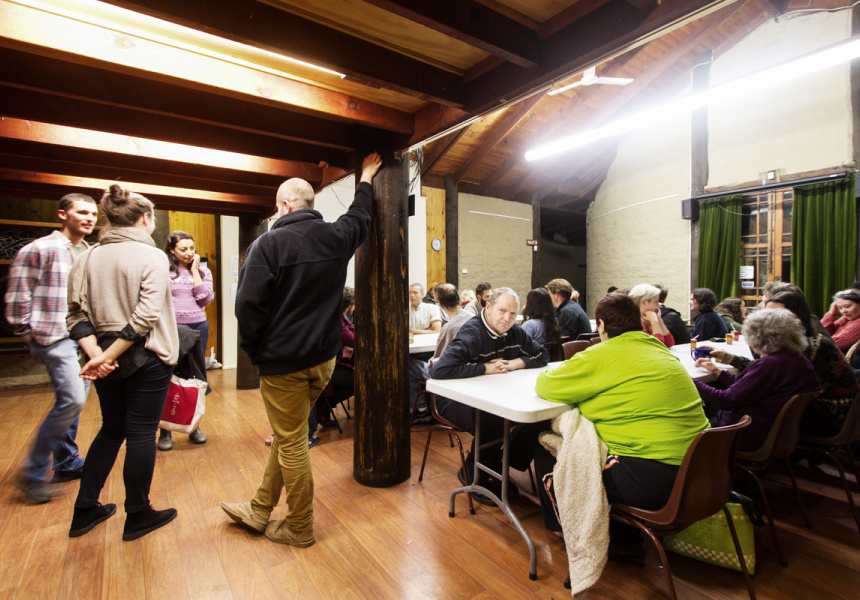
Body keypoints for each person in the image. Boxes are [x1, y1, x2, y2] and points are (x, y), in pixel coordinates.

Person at [221, 152, 381, 548]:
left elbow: (247, 308)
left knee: (291, 443)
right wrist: (366, 179)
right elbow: (360, 216)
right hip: (323, 361)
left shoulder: (266, 245)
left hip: (284, 364)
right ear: (310, 204)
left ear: (283, 205)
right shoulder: (336, 236)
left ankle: (300, 526)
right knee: (287, 434)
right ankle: (259, 508)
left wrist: (257, 351)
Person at [534, 294, 709, 558]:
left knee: (548, 450)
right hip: (702, 472)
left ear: (601, 326)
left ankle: (572, 535)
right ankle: (626, 537)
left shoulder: (601, 354)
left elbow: (545, 384)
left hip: (657, 484)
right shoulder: (658, 348)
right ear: (639, 321)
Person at [66, 184, 179, 540]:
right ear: (145, 219)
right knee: (142, 433)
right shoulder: (152, 257)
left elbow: (75, 315)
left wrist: (97, 357)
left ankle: (84, 509)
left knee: (112, 429)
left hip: (103, 357)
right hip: (147, 356)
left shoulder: (86, 257)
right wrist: (106, 357)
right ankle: (138, 514)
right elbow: (145, 317)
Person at [5, 193, 98, 504]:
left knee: (74, 402)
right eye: (82, 212)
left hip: (81, 337)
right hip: (53, 335)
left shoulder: (89, 252)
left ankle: (66, 461)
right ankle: (32, 474)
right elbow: (18, 294)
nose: (89, 218)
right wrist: (27, 332)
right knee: (73, 399)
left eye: (93, 214)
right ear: (62, 214)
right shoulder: (39, 249)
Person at [428, 287, 550, 502]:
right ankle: (474, 475)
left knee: (540, 417)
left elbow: (543, 354)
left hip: (494, 394)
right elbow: (440, 371)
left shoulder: (514, 331)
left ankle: (498, 463)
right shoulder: (472, 332)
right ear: (488, 307)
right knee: (493, 421)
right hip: (454, 399)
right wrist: (486, 368)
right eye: (502, 311)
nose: (507, 318)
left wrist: (516, 363)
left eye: (513, 313)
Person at [694, 308, 820, 452]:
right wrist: (718, 372)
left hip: (744, 434)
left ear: (758, 338)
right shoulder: (798, 360)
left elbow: (726, 400)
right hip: (776, 434)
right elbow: (748, 386)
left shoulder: (770, 364)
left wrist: (688, 380)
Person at [157, 230, 214, 451]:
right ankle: (165, 430)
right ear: (172, 250)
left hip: (198, 327)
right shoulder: (164, 271)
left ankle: (194, 426)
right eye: (183, 249)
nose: (189, 253)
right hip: (172, 330)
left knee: (196, 378)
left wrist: (195, 271)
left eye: (192, 248)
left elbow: (205, 298)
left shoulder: (203, 271)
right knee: (169, 377)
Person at [409, 283, 471, 422]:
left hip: (450, 376)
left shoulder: (449, 328)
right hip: (468, 372)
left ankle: (421, 409)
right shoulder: (473, 318)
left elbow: (438, 361)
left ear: (440, 304)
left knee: (411, 365)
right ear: (458, 298)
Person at [821, 288, 860, 353]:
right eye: (840, 308)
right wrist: (831, 314)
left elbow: (831, 345)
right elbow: (821, 332)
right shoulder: (847, 318)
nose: (843, 311)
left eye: (847, 306)